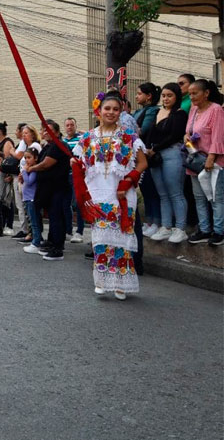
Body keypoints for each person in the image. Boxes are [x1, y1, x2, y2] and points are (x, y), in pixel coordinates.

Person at [73, 92, 147, 300]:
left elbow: (142, 163)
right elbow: (81, 164)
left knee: (121, 242)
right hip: (98, 197)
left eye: (115, 109)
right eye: (107, 109)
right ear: (99, 111)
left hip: (122, 196)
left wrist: (129, 180)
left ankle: (121, 284)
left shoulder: (129, 137)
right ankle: (102, 281)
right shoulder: (87, 138)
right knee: (101, 241)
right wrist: (75, 166)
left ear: (121, 111)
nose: (111, 112)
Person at [145, 83, 188, 243]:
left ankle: (181, 228)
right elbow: (150, 132)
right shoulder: (158, 111)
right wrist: (149, 149)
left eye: (169, 95)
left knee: (175, 192)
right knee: (162, 194)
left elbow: (174, 135)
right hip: (156, 156)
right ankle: (166, 226)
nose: (166, 98)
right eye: (163, 95)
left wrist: (154, 149)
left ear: (176, 96)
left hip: (172, 153)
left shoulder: (180, 113)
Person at [184, 79, 224, 246]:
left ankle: (219, 231)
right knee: (199, 197)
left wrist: (211, 158)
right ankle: (204, 229)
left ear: (206, 93)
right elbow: (188, 131)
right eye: (190, 94)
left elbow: (218, 135)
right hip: (195, 160)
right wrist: (186, 138)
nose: (192, 97)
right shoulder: (193, 110)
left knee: (216, 198)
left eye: (195, 93)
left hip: (212, 162)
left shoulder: (216, 110)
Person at [27, 120, 71, 261]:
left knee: (57, 217)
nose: (45, 132)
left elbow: (46, 164)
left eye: (49, 130)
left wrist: (31, 168)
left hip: (58, 187)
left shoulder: (58, 145)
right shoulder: (48, 146)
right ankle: (52, 242)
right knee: (53, 217)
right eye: (43, 130)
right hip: (50, 188)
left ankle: (57, 248)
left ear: (57, 132)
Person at [133, 82, 162, 236]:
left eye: (139, 93)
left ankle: (156, 221)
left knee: (152, 190)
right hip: (139, 154)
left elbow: (142, 130)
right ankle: (149, 221)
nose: (137, 96)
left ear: (148, 96)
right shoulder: (140, 111)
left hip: (147, 154)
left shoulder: (152, 111)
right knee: (145, 189)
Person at [64, 117, 84, 243]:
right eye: (67, 125)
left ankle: (80, 231)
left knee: (78, 204)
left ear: (75, 126)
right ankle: (68, 230)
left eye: (72, 125)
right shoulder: (62, 141)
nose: (70, 127)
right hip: (65, 175)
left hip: (77, 175)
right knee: (67, 204)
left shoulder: (81, 139)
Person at [20, 148, 44, 254]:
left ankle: (36, 242)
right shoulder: (30, 169)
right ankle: (38, 239)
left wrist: (24, 171)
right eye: (25, 158)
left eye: (29, 157)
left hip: (32, 199)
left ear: (36, 158)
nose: (26, 160)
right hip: (28, 198)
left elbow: (29, 182)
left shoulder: (33, 170)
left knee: (34, 222)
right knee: (32, 220)